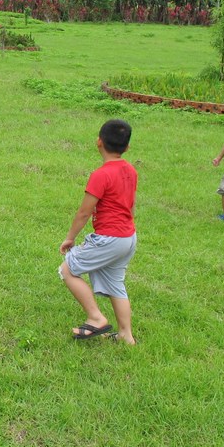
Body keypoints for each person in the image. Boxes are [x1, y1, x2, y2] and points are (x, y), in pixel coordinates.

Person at [59, 119, 138, 344]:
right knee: (115, 283)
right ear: (127, 147)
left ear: (99, 142)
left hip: (109, 238)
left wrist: (70, 237)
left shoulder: (101, 175)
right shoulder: (131, 171)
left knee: (67, 270)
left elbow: (85, 212)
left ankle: (96, 318)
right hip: (128, 237)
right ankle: (126, 335)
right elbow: (131, 205)